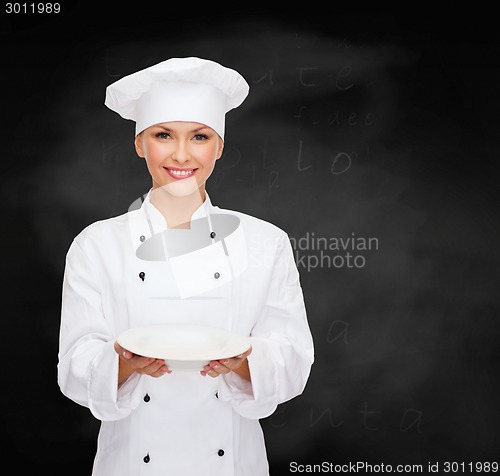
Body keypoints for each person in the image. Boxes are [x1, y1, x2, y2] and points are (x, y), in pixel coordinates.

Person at [57, 56, 314, 476]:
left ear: (219, 147)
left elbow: (293, 359)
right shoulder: (96, 244)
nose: (181, 154)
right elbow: (73, 367)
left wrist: (245, 361)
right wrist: (124, 362)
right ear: (140, 144)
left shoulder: (267, 243)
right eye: (163, 135)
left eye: (199, 136)